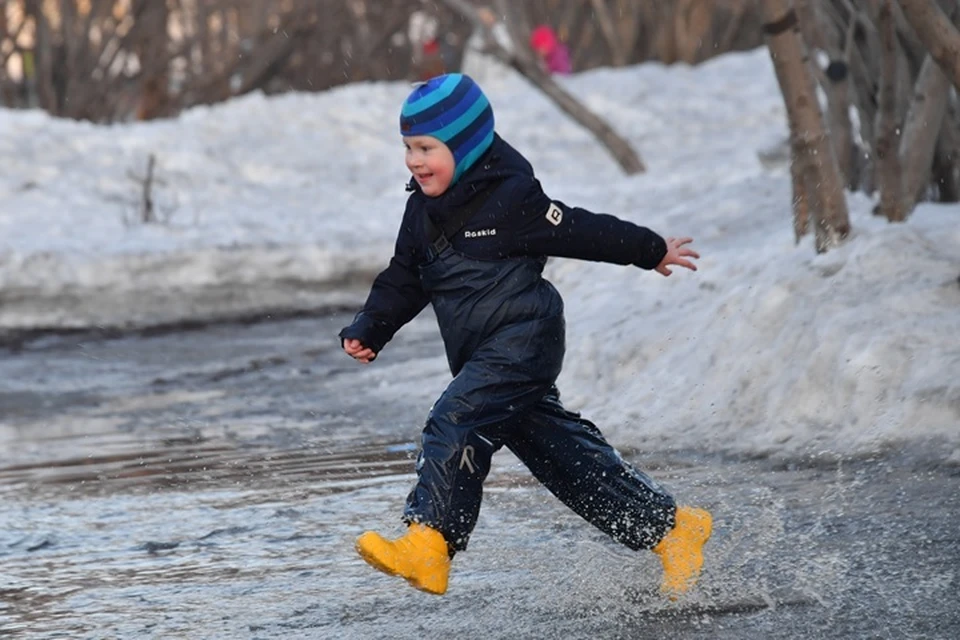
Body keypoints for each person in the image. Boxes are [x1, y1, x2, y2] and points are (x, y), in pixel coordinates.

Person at [340, 73, 711, 598]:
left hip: (524, 341)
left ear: (465, 146)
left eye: (426, 147)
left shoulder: (512, 199)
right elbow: (405, 275)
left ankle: (429, 543)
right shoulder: (421, 211)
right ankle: (673, 530)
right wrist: (371, 328)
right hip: (481, 353)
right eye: (407, 148)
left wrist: (650, 250)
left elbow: (580, 229)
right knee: (565, 459)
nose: (414, 160)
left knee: (457, 417)